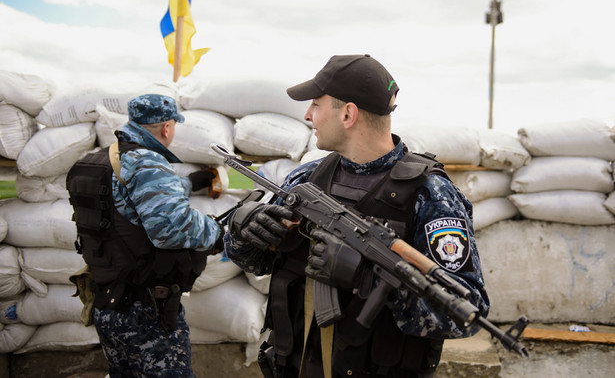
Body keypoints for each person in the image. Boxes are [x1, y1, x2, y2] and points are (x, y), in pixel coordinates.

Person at [224, 54, 490, 378]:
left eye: (316, 105)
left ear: (348, 114)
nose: (308, 116)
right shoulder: (307, 179)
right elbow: (256, 263)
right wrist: (243, 232)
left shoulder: (431, 195)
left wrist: (370, 278)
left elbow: (466, 312)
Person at [67, 94, 223, 377]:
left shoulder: (98, 161)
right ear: (166, 127)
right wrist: (218, 231)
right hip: (146, 311)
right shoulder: (147, 162)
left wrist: (188, 184)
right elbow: (170, 229)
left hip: (108, 306)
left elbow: (131, 202)